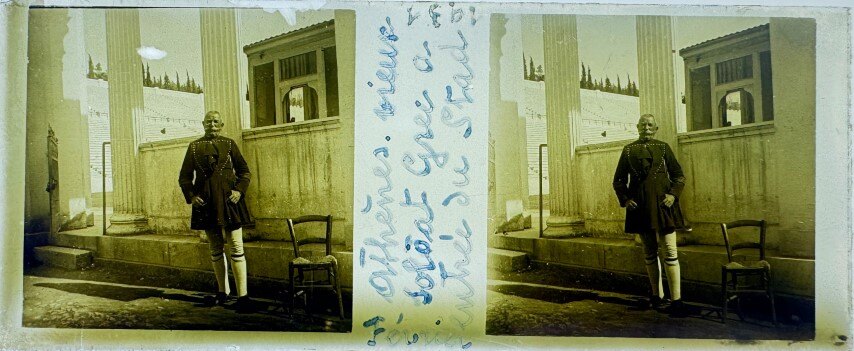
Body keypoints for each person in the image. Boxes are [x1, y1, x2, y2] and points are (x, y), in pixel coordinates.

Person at [612, 114, 688, 317]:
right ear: (637, 127)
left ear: (656, 128)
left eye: (650, 125)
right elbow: (618, 181)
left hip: (664, 207)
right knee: (649, 252)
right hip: (641, 209)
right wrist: (626, 199)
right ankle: (656, 296)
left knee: (670, 252)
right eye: (642, 124)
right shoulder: (628, 150)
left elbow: (679, 176)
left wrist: (673, 195)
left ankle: (677, 301)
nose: (646, 127)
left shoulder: (663, 148)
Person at [179, 111, 255, 312]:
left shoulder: (229, 144)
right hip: (207, 205)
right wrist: (192, 197)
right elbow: (184, 177)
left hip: (230, 203)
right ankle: (222, 292)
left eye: (215, 121)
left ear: (221, 124)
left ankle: (243, 297)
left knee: (237, 248)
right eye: (208, 121)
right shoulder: (193, 147)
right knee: (215, 248)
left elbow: (245, 172)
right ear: (202, 124)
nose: (211, 125)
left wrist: (239, 191)